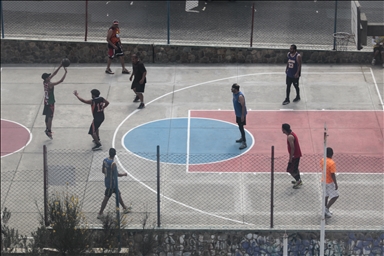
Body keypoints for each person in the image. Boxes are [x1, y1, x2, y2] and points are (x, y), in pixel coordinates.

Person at [97, 148, 132, 219]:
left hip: (107, 181)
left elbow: (103, 171)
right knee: (106, 198)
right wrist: (124, 174)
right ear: (115, 155)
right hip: (111, 184)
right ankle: (100, 213)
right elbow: (116, 174)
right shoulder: (113, 164)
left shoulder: (105, 160)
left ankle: (124, 208)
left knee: (118, 194)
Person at [42, 61, 68, 139]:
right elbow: (61, 81)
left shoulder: (44, 82)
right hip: (50, 102)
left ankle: (47, 128)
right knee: (50, 117)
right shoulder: (50, 84)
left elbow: (54, 74)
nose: (50, 76)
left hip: (46, 101)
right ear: (47, 78)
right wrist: (65, 73)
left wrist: (60, 66)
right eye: (49, 76)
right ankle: (49, 131)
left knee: (47, 116)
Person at [282, 123, 303, 188]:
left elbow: (292, 148)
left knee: (290, 170)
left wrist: (291, 157)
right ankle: (299, 180)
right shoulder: (291, 134)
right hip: (296, 155)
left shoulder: (290, 137)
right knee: (295, 169)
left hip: (295, 156)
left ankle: (298, 180)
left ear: (284, 129)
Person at [320, 147, 339, 218]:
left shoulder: (322, 160)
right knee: (335, 196)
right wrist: (335, 183)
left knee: (326, 195)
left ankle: (325, 210)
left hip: (323, 180)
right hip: (329, 182)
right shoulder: (332, 163)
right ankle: (326, 208)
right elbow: (332, 174)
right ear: (332, 154)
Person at [231, 83, 247, 150]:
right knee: (240, 127)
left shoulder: (240, 96)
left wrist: (242, 115)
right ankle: (242, 138)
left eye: (233, 88)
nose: (231, 89)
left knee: (241, 127)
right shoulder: (234, 94)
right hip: (238, 113)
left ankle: (244, 142)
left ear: (236, 89)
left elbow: (243, 106)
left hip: (241, 114)